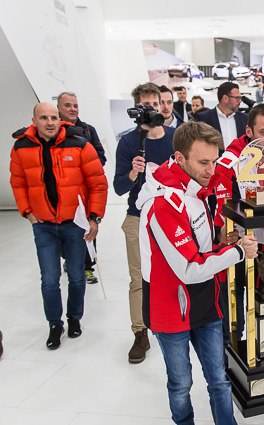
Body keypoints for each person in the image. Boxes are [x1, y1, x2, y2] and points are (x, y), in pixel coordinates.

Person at [136, 121, 261, 425]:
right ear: (180, 158)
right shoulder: (163, 203)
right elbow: (189, 267)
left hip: (207, 301)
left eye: (215, 161)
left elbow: (206, 249)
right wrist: (237, 252)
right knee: (180, 382)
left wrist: (230, 240)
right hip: (169, 306)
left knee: (219, 381)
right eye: (204, 163)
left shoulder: (201, 189)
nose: (213, 170)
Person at [10, 102, 108, 349]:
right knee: (49, 279)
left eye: (54, 117)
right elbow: (18, 183)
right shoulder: (21, 147)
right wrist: (29, 214)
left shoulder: (79, 144)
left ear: (60, 119)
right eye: (44, 118)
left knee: (76, 276)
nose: (50, 122)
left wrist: (94, 217)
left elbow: (98, 182)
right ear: (34, 120)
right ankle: (55, 324)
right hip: (42, 226)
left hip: (74, 224)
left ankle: (74, 318)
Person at [210, 103, 264, 347]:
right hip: (235, 253)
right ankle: (230, 369)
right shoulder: (229, 162)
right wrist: (226, 239)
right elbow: (221, 213)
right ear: (248, 131)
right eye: (263, 133)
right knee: (233, 322)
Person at [114, 82, 176, 364]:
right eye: (148, 104)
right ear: (138, 108)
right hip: (137, 217)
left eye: (158, 101)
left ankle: (176, 323)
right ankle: (140, 332)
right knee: (138, 277)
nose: (155, 108)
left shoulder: (176, 137)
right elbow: (117, 187)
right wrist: (132, 174)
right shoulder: (128, 142)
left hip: (173, 215)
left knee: (175, 271)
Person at [57, 91, 106, 284]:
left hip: (85, 192)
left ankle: (87, 268)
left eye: (75, 105)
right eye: (68, 105)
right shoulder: (53, 131)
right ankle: (69, 261)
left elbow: (101, 156)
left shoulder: (88, 130)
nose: (72, 109)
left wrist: (87, 163)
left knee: (88, 229)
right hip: (61, 193)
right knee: (62, 229)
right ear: (59, 108)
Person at [194, 82, 248, 150]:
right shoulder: (204, 119)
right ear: (225, 98)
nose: (240, 101)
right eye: (237, 98)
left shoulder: (245, 119)